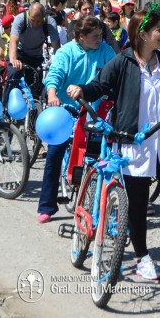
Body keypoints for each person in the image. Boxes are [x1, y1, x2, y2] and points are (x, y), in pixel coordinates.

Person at [71, 10, 160, 278]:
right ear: (143, 34)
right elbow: (99, 86)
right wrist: (81, 90)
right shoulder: (123, 61)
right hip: (134, 143)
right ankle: (143, 257)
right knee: (137, 202)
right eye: (159, 29)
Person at [36, 15, 116, 222]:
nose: (100, 39)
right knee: (55, 153)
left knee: (99, 157)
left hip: (95, 111)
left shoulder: (106, 51)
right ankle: (46, 205)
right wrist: (52, 94)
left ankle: (100, 203)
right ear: (80, 37)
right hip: (66, 110)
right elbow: (55, 75)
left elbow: (114, 75)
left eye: (101, 35)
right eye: (95, 36)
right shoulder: (66, 52)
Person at [7, 2, 62, 100]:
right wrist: (14, 59)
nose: (35, 24)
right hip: (19, 53)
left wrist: (59, 63)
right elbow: (13, 41)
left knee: (36, 84)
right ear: (29, 14)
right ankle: (6, 105)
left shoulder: (49, 22)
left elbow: (56, 46)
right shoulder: (20, 19)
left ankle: (34, 110)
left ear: (44, 17)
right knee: (13, 74)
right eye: (33, 20)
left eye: (39, 21)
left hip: (35, 56)